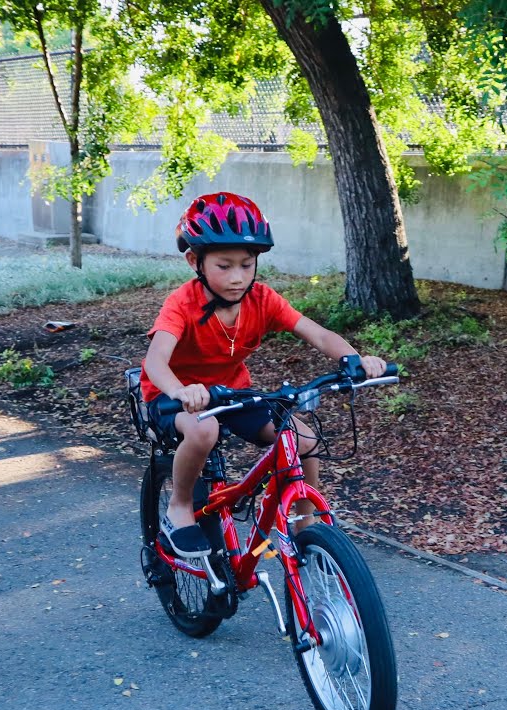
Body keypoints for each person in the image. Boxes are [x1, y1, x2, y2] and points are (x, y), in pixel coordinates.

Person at [140, 191, 386, 559]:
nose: (238, 277)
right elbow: (156, 360)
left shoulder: (262, 300)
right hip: (172, 395)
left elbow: (317, 333)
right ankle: (179, 507)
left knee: (302, 437)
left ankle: (308, 520)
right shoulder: (182, 304)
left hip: (231, 392)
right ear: (196, 261)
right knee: (203, 428)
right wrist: (181, 389)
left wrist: (355, 360)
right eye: (224, 266)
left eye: (246, 264)